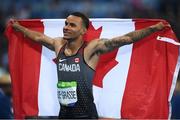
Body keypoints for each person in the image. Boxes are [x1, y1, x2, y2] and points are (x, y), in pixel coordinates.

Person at [12, 12, 168, 119]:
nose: (66, 27)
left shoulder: (90, 49)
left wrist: (153, 28)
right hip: (64, 114)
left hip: (85, 115)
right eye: (66, 23)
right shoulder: (58, 45)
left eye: (72, 25)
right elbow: (38, 37)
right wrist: (18, 27)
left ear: (83, 30)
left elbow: (124, 39)